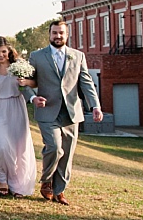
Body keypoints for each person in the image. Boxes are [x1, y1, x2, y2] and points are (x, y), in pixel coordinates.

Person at [21, 21, 103, 206]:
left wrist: (95, 106)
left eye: (61, 33)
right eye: (55, 33)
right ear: (49, 34)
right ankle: (46, 180)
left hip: (71, 112)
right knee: (54, 147)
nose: (58, 36)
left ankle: (60, 190)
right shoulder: (37, 56)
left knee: (67, 153)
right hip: (47, 110)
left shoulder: (78, 56)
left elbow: (86, 83)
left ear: (67, 35)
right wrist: (33, 98)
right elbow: (25, 82)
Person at [0, 36, 36, 198]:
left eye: (4, 51)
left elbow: (35, 83)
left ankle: (16, 183)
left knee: (18, 148)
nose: (1, 55)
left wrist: (26, 82)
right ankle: (2, 179)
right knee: (1, 146)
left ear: (9, 51)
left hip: (16, 107)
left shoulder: (19, 66)